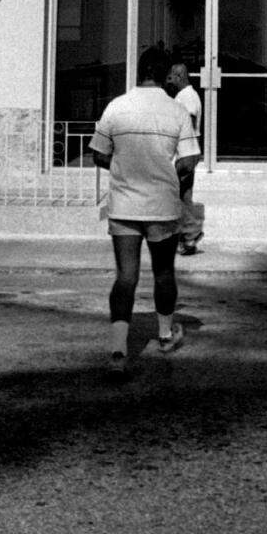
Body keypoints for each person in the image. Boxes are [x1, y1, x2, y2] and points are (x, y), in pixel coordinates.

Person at [90, 47, 200, 376]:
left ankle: (119, 348)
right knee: (164, 273)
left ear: (139, 72)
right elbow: (189, 159)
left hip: (124, 205)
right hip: (162, 207)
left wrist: (124, 168)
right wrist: (166, 173)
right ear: (166, 75)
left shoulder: (116, 106)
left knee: (126, 276)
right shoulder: (176, 110)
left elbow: (98, 153)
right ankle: (165, 335)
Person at [166, 61, 204, 254]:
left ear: (179, 76)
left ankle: (191, 231)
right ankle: (187, 238)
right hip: (189, 151)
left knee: (173, 193)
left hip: (185, 152)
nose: (169, 80)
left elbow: (187, 122)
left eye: (171, 76)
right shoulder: (188, 95)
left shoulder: (186, 97)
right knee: (183, 195)